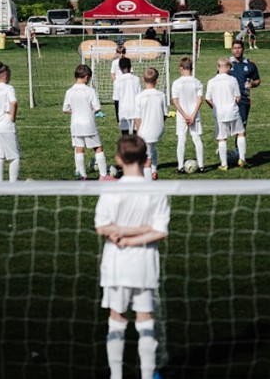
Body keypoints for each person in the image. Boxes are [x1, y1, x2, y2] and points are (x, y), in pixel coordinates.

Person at [95, 134, 170, 379]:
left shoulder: (111, 191)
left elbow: (104, 227)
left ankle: (117, 375)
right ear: (147, 159)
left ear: (117, 159)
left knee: (117, 318)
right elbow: (157, 231)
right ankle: (147, 375)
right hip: (144, 264)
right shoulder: (157, 191)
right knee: (144, 319)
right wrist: (139, 232)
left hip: (117, 262)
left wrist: (123, 236)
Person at [63, 64, 111, 181]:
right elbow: (97, 107)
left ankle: (83, 175)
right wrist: (89, 111)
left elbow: (65, 109)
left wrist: (75, 111)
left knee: (79, 148)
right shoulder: (90, 91)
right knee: (98, 147)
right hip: (88, 124)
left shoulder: (69, 91)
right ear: (86, 77)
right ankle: (103, 175)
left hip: (75, 125)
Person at [206, 56, 247, 171]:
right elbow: (238, 97)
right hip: (232, 111)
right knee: (240, 133)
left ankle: (224, 164)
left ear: (218, 67)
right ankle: (242, 159)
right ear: (228, 67)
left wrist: (215, 107)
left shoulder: (211, 81)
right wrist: (233, 104)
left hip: (219, 113)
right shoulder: (232, 80)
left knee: (222, 138)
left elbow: (207, 98)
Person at [171, 56, 205, 173]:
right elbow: (200, 100)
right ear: (191, 68)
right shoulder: (197, 82)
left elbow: (175, 101)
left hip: (182, 116)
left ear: (181, 68)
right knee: (196, 138)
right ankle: (201, 166)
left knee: (182, 139)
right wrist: (192, 115)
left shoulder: (176, 83)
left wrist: (185, 115)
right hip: (194, 115)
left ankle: (180, 166)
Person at [135, 67, 168, 180]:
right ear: (157, 80)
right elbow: (165, 114)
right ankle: (154, 171)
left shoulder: (139, 97)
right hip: (158, 129)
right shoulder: (162, 95)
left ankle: (148, 183)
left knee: (146, 159)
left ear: (143, 79)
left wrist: (138, 133)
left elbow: (137, 118)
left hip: (145, 131)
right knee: (152, 148)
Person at [229, 39, 261, 131]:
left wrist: (253, 84)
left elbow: (257, 80)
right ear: (232, 50)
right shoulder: (227, 64)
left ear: (243, 49)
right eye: (235, 48)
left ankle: (238, 146)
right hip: (229, 99)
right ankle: (223, 145)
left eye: (239, 48)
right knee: (226, 126)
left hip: (244, 99)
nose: (237, 50)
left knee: (241, 127)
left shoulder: (250, 64)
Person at [114, 57, 141, 136]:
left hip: (123, 111)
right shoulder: (137, 79)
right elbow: (140, 96)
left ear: (119, 68)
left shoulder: (117, 81)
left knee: (125, 136)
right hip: (135, 110)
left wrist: (118, 118)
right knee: (136, 135)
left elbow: (116, 100)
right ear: (130, 66)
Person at [111, 45, 127, 122]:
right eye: (119, 52)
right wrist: (116, 82)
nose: (121, 54)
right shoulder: (114, 62)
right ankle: (118, 118)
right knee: (117, 100)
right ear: (117, 53)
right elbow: (112, 74)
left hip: (126, 84)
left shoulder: (127, 61)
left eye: (123, 52)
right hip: (118, 85)